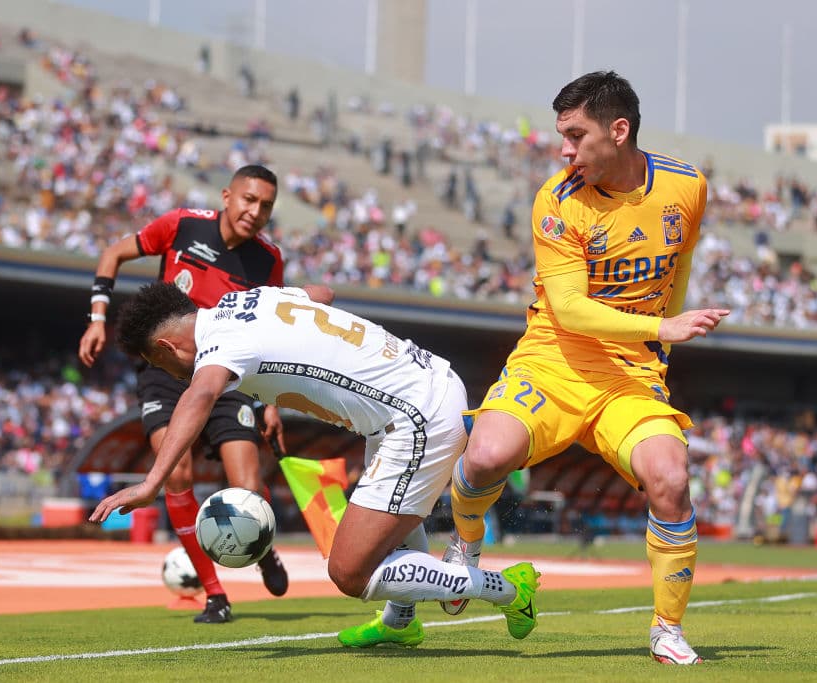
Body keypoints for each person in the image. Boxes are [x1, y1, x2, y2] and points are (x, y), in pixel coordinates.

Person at [442, 71, 729, 665]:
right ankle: (466, 547)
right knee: (485, 456)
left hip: (629, 374)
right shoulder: (558, 201)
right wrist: (663, 329)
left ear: (618, 130)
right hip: (554, 359)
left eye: (576, 135)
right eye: (562, 136)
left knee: (672, 479)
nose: (564, 150)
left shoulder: (687, 186)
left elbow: (679, 266)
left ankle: (666, 631)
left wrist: (660, 343)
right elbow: (570, 310)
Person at [89, 282, 541, 647]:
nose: (169, 374)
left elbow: (200, 396)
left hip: (416, 416)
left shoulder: (219, 347)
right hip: (407, 402)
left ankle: (508, 588)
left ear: (167, 346)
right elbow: (320, 293)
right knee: (385, 536)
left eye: (160, 365)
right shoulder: (248, 300)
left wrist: (151, 483)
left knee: (349, 571)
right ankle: (400, 623)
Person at [78, 164, 290, 624]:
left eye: (266, 205)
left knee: (248, 487)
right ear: (227, 196)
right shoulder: (180, 226)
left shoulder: (268, 260)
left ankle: (263, 545)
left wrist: (271, 401)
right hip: (166, 370)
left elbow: (272, 328)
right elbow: (113, 253)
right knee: (176, 476)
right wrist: (97, 317)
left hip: (228, 374)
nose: (256, 211)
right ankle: (215, 594)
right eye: (248, 199)